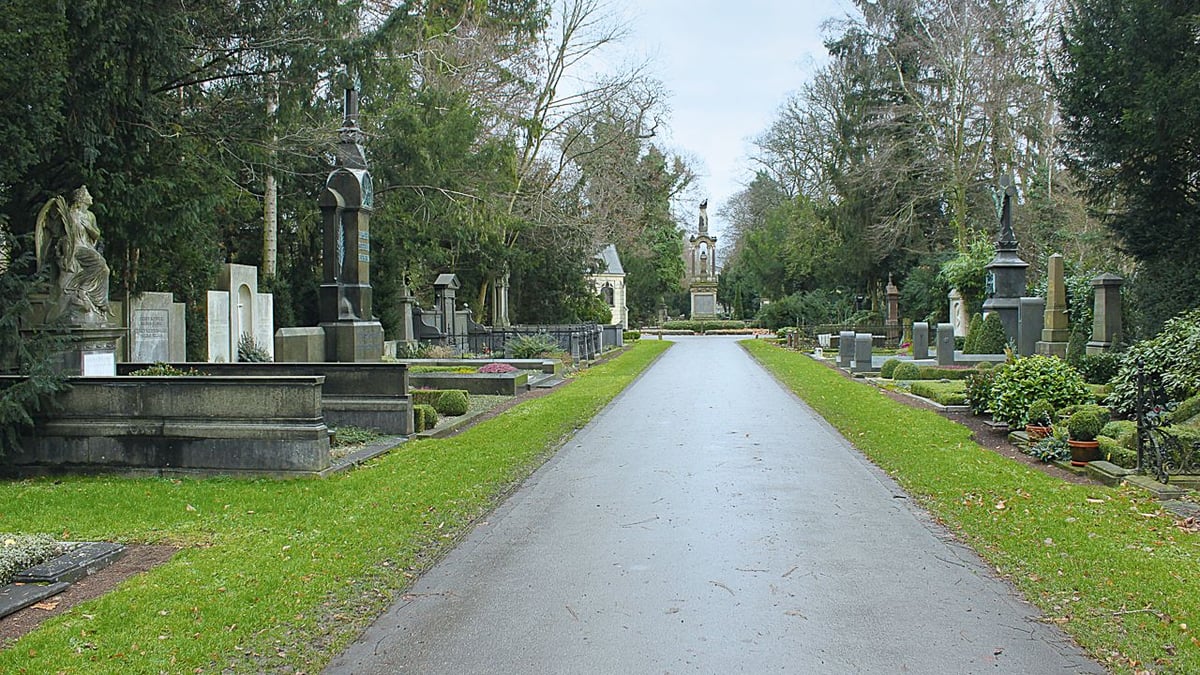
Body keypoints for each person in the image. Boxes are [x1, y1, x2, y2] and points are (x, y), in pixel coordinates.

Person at [36, 185, 111, 325]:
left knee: (106, 270)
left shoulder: (90, 216)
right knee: (100, 263)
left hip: (87, 247)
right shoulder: (69, 214)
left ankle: (100, 304)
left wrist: (89, 227)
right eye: (88, 195)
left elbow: (97, 235)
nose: (91, 198)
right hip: (75, 248)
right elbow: (60, 234)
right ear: (81, 199)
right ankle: (81, 290)